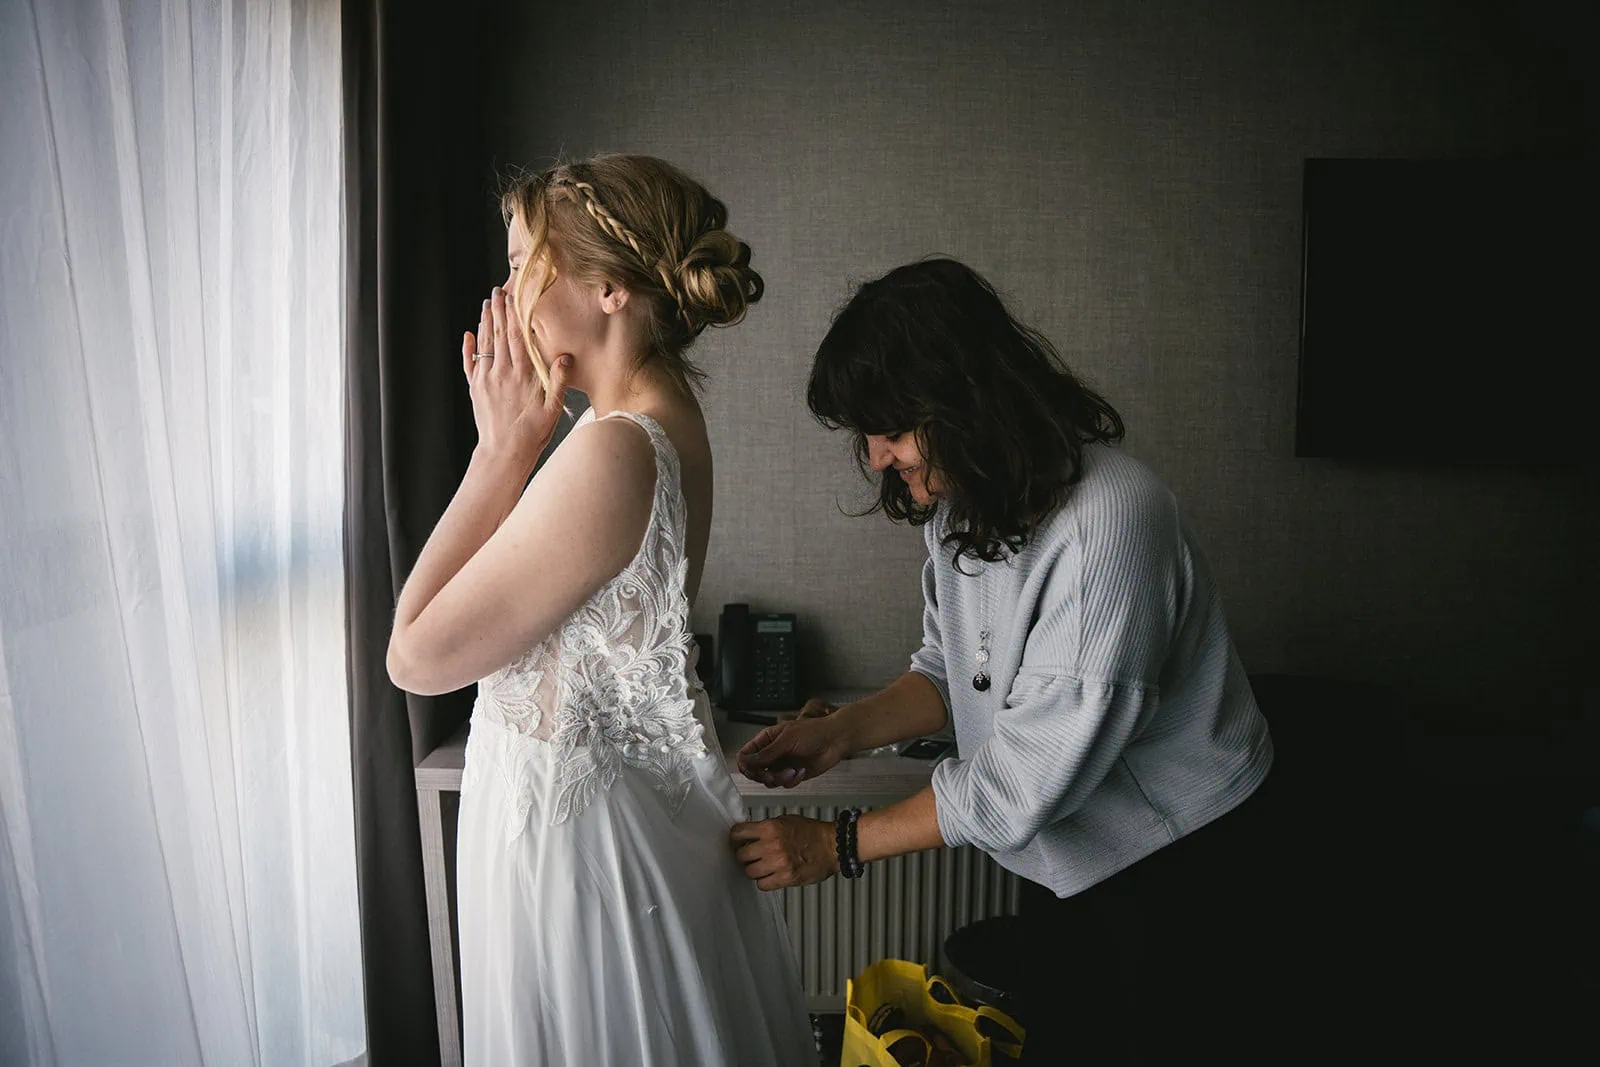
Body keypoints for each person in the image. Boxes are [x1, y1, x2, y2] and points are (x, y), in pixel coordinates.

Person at [732, 258, 1278, 1064]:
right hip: (1068, 855)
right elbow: (952, 671)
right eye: (865, 435)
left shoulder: (1110, 523)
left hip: (1182, 867)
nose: (877, 457)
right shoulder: (966, 504)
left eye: (890, 429)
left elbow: (1022, 779)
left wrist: (835, 844)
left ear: (965, 401)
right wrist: (840, 733)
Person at [387, 154, 814, 1066]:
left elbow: (414, 657)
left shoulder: (612, 451)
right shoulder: (652, 424)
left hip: (581, 866)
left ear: (609, 289)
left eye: (521, 266)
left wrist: (500, 454)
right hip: (596, 837)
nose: (506, 297)